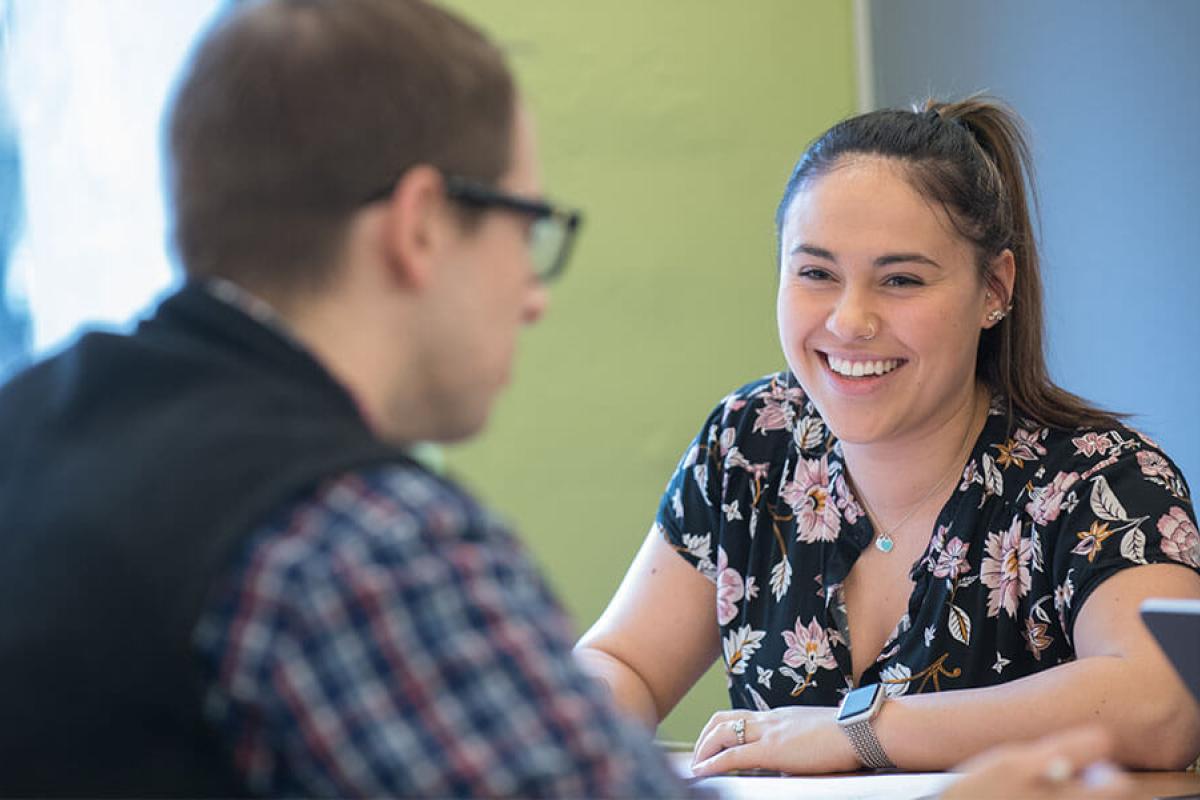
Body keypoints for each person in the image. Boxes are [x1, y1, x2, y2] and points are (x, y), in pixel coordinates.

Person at [0, 1, 688, 796]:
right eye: (526, 222)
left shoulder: (27, 429)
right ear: (420, 224)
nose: (534, 294)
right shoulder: (362, 543)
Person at [575, 97, 1200, 776]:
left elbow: (1164, 699)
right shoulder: (750, 442)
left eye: (900, 279)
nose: (850, 321)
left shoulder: (1100, 482)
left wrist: (861, 731)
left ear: (993, 288)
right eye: (816, 273)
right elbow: (622, 662)